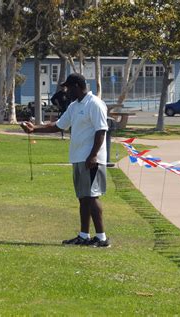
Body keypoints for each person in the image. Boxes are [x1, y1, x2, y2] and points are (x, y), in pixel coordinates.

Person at [21, 73, 110, 247]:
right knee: (83, 198)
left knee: (92, 197)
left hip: (92, 159)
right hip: (78, 157)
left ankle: (102, 238)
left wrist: (93, 155)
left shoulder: (95, 104)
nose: (66, 91)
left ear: (77, 86)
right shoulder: (74, 106)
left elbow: (101, 131)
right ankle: (84, 236)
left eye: (68, 88)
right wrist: (34, 130)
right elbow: (59, 125)